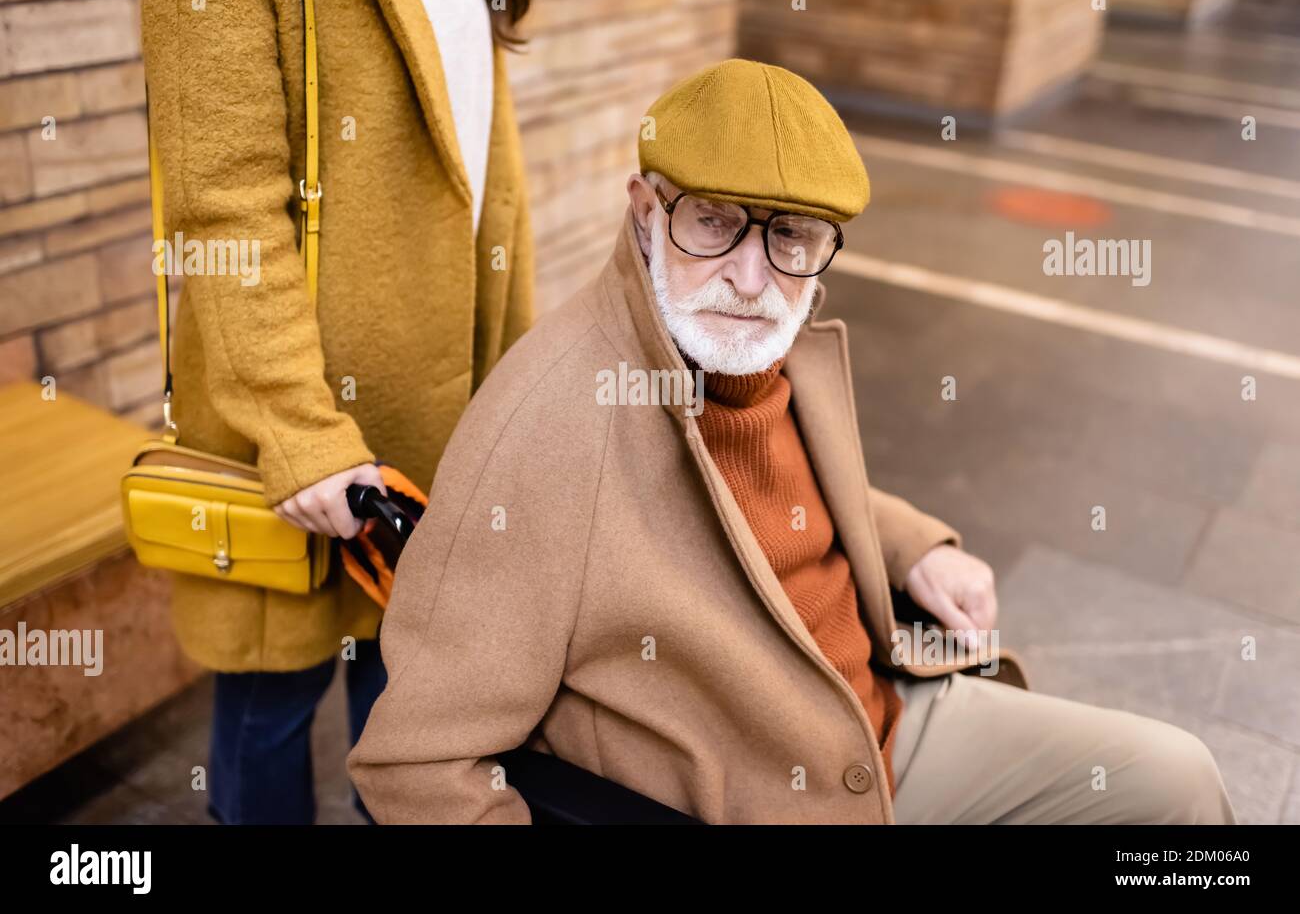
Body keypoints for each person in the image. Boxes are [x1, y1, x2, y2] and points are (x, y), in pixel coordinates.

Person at [347, 59, 1236, 824]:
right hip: (762, 790)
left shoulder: (763, 339)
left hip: (887, 717)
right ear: (646, 213)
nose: (749, 275)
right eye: (714, 220)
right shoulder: (543, 425)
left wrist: (908, 544)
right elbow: (416, 762)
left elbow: (776, 487)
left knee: (1178, 785)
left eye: (792, 236)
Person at [140, 0, 538, 824]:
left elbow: (487, 190)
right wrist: (299, 428)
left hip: (440, 424)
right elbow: (224, 206)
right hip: (298, 438)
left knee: (410, 724)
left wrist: (519, 396)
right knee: (270, 712)